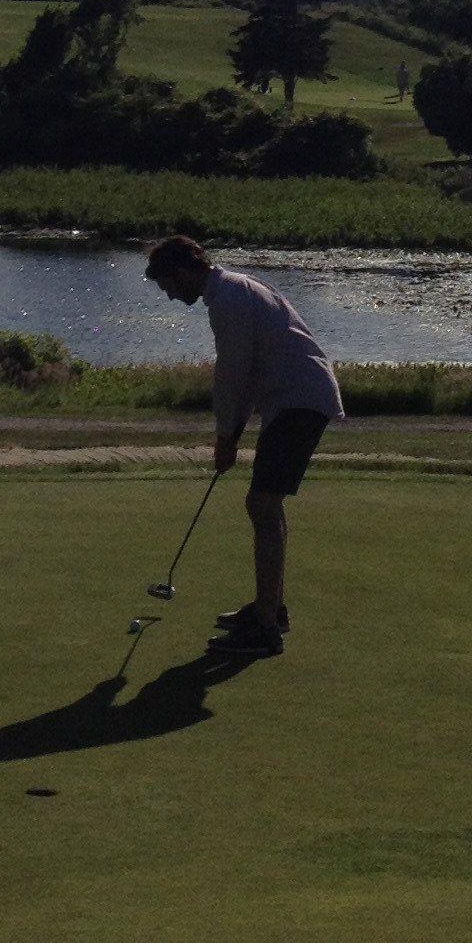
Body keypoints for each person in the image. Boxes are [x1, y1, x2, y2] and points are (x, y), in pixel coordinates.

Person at [143, 233, 343, 656]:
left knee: (262, 503)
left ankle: (265, 627)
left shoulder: (228, 300)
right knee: (265, 503)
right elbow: (248, 376)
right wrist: (230, 435)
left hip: (299, 400)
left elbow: (232, 375)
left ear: (182, 272)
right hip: (295, 399)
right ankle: (271, 609)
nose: (170, 295)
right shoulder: (234, 288)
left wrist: (223, 436)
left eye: (167, 285)